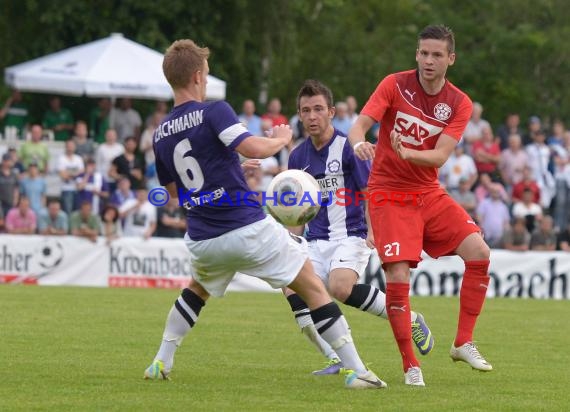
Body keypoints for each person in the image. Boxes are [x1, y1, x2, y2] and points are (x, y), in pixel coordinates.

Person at [144, 39, 386, 389]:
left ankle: (160, 362)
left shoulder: (160, 133)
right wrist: (279, 138)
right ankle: (357, 371)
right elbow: (254, 146)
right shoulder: (214, 111)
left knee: (196, 290)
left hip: (202, 237)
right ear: (198, 76)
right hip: (244, 227)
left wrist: (228, 168)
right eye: (207, 74)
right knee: (313, 287)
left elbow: (171, 194)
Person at [348, 25, 493, 386]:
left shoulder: (459, 102)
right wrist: (358, 143)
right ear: (417, 54)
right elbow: (359, 125)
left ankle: (463, 342)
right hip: (387, 193)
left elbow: (441, 155)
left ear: (451, 59)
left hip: (427, 191)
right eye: (423, 53)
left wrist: (407, 150)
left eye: (437, 55)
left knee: (479, 251)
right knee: (397, 277)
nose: (429, 60)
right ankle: (411, 366)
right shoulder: (394, 85)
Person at [283, 79, 434, 376]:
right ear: (299, 115)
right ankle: (335, 356)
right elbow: (298, 207)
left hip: (350, 234)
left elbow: (369, 191)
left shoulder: (348, 148)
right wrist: (291, 241)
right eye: (305, 111)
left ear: (331, 111)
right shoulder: (297, 157)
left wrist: (373, 231)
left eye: (317, 109)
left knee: (339, 287)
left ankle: (411, 319)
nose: (312, 116)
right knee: (290, 286)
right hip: (315, 239)